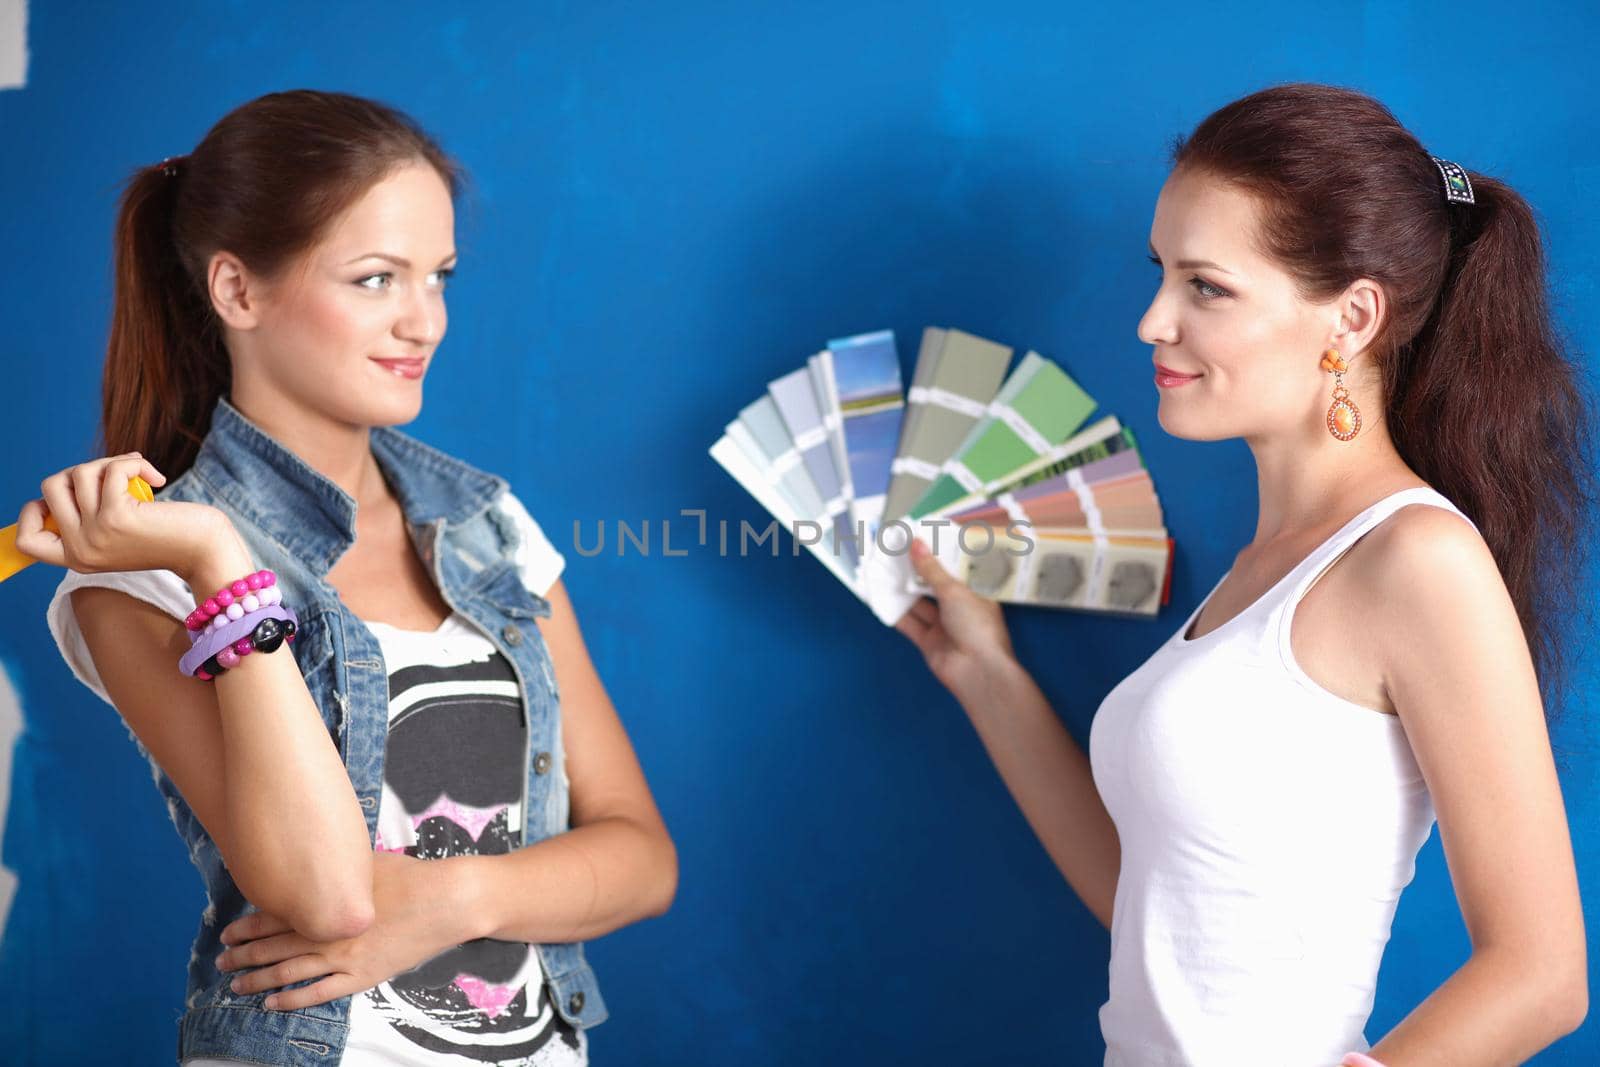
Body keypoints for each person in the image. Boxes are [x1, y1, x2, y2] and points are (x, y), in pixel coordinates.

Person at [897, 83, 1590, 1066]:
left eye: (1204, 286)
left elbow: (1541, 974)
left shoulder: (1416, 560)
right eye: (1159, 273)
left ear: (1350, 317)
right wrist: (985, 673)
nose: (1150, 322)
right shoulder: (1262, 568)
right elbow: (1150, 904)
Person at [17, 89, 676, 1066]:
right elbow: (322, 897)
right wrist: (218, 563)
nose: (425, 323)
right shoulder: (144, 577)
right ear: (237, 291)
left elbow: (640, 857)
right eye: (375, 279)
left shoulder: (487, 527)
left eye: (439, 277)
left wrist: (459, 892)